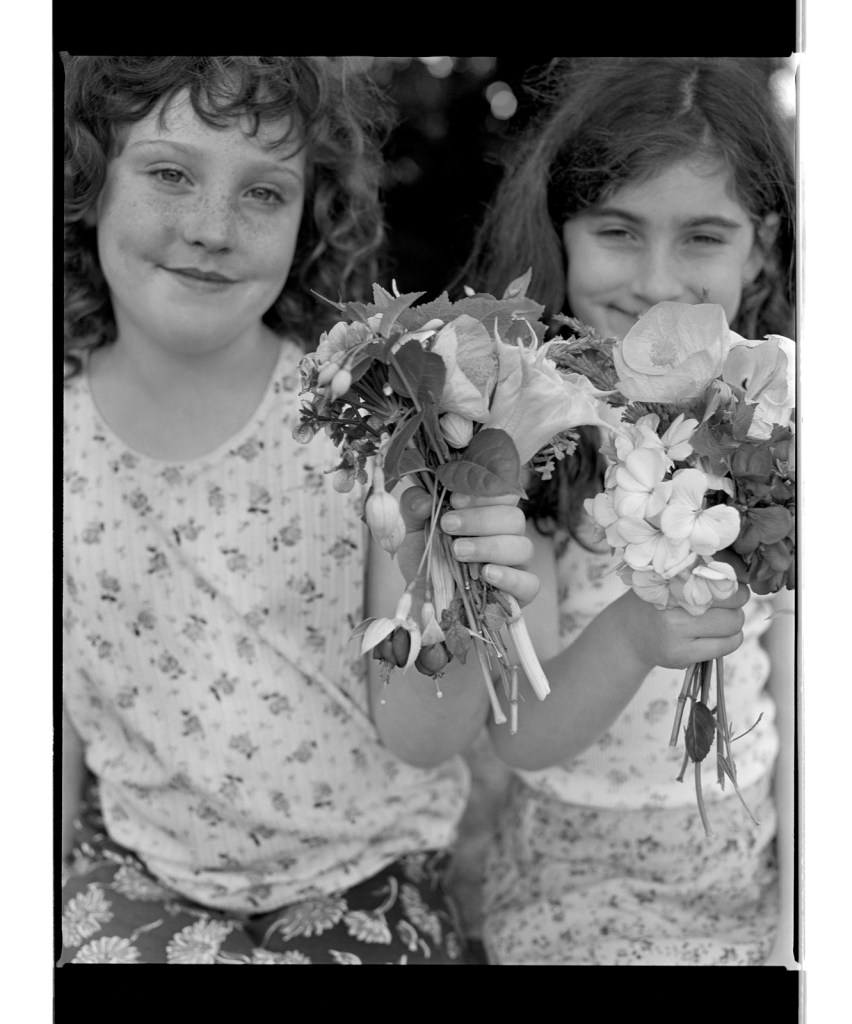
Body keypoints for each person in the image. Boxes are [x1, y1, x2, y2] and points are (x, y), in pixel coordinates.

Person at [60, 55, 541, 965]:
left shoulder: (365, 429)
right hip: (136, 869)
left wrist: (469, 599)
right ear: (86, 181)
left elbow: (419, 734)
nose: (212, 229)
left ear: (310, 213)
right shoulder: (46, 437)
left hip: (365, 873)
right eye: (169, 173)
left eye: (264, 193)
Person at [455, 56, 797, 966]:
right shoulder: (524, 437)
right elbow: (520, 734)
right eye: (617, 229)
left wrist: (808, 909)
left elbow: (803, 693)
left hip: (749, 869)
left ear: (761, 244)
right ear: (560, 233)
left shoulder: (784, 424)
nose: (654, 281)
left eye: (703, 237)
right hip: (573, 884)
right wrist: (634, 637)